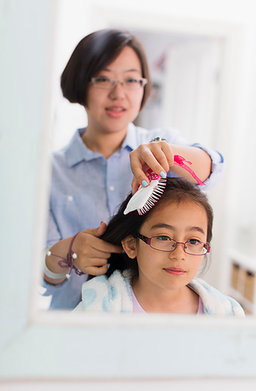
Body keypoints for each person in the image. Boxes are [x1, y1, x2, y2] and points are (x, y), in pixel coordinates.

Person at [43, 29, 224, 310]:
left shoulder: (164, 144)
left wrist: (170, 153)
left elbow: (213, 168)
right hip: (75, 323)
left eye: (131, 80)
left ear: (144, 87)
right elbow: (41, 275)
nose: (119, 94)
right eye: (103, 79)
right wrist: (70, 252)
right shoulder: (49, 172)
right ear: (80, 83)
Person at [75, 177, 244, 316]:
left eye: (193, 241)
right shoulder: (96, 309)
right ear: (131, 246)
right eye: (163, 237)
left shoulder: (226, 315)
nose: (179, 255)